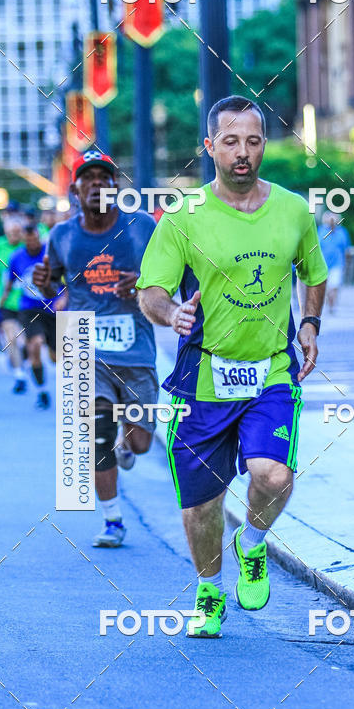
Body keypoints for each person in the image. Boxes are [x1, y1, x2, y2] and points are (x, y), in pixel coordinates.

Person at [137, 95, 327, 638]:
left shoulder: (292, 209)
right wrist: (170, 311)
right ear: (209, 147)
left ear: (264, 144)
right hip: (202, 379)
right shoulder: (185, 217)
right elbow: (151, 288)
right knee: (203, 506)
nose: (243, 153)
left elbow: (314, 274)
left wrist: (310, 325)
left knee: (275, 474)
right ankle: (209, 591)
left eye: (253, 141)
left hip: (272, 372)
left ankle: (254, 543)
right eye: (230, 141)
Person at [33, 150, 157, 548]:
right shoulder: (63, 236)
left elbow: (168, 278)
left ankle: (128, 443)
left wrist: (141, 282)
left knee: (140, 441)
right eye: (88, 179)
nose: (97, 185)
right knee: (97, 433)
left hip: (135, 345)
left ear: (116, 187)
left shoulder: (140, 228)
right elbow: (52, 287)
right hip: (86, 345)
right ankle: (113, 520)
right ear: (75, 190)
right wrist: (45, 284)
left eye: (105, 178)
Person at [3, 223, 56, 409]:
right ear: (24, 240)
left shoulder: (52, 254)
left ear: (39, 238)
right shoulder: (16, 257)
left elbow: (66, 278)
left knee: (56, 357)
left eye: (35, 240)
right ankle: (42, 391)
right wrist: (2, 300)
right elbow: (10, 281)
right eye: (28, 241)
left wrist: (65, 297)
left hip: (53, 308)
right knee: (35, 345)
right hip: (29, 308)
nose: (32, 244)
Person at [0, 217, 27, 393]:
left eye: (17, 232)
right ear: (6, 232)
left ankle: (21, 358)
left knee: (25, 341)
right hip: (6, 300)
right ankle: (19, 376)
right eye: (10, 233)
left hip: (27, 302)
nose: (13, 236)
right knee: (11, 339)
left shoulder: (29, 246)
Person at [317, 211, 350, 314]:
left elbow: (346, 250)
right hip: (323, 264)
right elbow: (316, 248)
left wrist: (347, 264)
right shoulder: (321, 231)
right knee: (326, 287)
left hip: (338, 264)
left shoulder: (342, 232)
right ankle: (329, 302)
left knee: (334, 286)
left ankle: (332, 305)